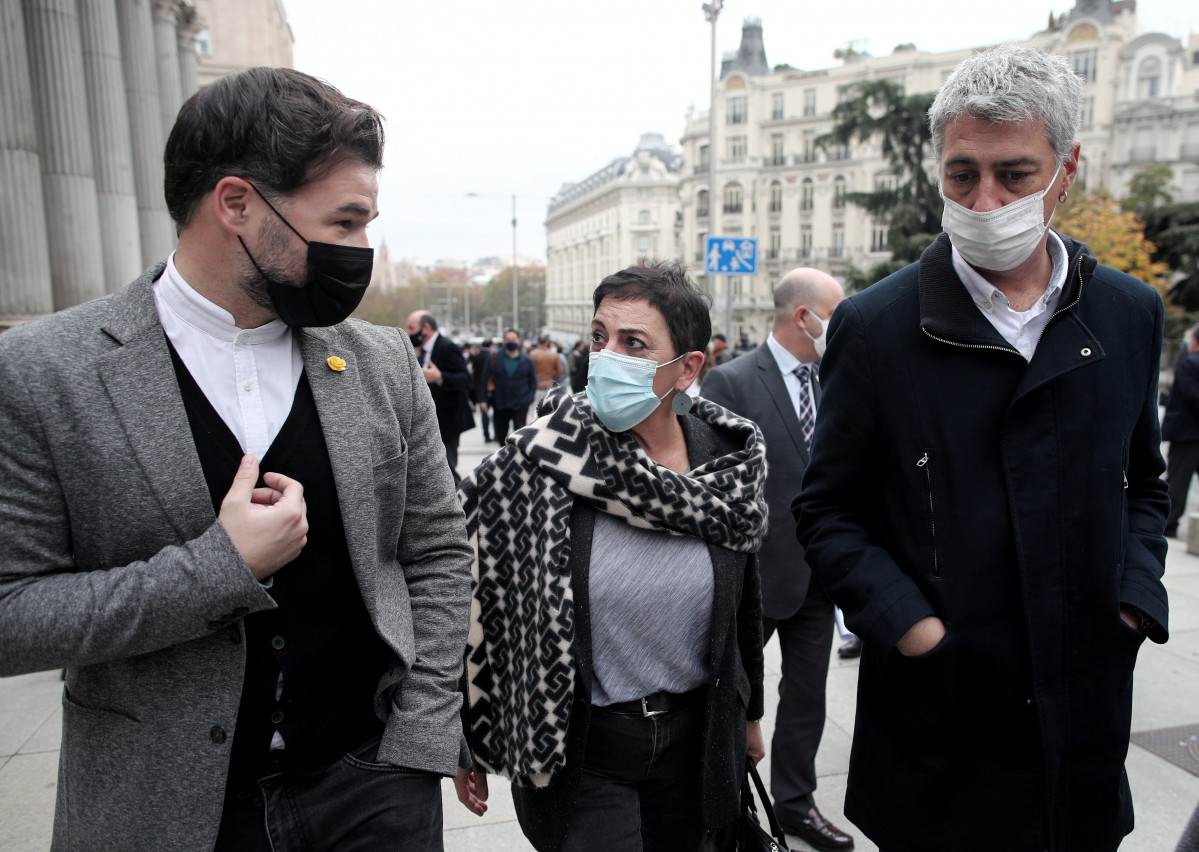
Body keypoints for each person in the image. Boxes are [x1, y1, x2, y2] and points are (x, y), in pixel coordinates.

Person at [0, 67, 473, 851]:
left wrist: (419, 740)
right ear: (237, 204)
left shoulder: (384, 363)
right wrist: (216, 568)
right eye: (345, 222)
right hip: (162, 808)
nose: (360, 249)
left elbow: (434, 552)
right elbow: (12, 615)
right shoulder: (46, 371)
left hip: (370, 794)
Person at [794, 45, 1170, 852]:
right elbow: (826, 510)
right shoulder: (875, 325)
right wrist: (910, 628)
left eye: (1013, 174)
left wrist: (1132, 601)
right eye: (961, 174)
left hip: (1081, 725)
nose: (984, 198)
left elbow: (1145, 481)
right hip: (939, 738)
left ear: (1065, 170)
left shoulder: (1128, 314)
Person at [455, 261, 769, 852]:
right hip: (582, 749)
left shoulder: (726, 466)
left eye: (634, 343)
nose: (606, 356)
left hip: (696, 740)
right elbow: (473, 599)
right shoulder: (540, 459)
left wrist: (747, 712)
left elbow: (743, 604)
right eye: (600, 337)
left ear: (687, 369)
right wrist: (466, 730)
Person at [702, 267, 853, 851]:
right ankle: (718, 807)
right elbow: (712, 483)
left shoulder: (832, 381)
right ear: (803, 316)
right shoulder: (733, 382)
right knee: (726, 698)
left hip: (818, 578)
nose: (838, 327)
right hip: (751, 582)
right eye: (834, 315)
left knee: (807, 699)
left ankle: (794, 804)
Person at [407, 309, 475, 480]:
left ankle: (459, 502)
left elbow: (465, 380)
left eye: (412, 328)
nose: (409, 333)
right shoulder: (421, 351)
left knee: (447, 471)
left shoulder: (448, 347)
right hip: (428, 421)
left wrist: (440, 377)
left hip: (448, 421)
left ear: (426, 328)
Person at [1163, 325, 1199, 537]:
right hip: (1190, 432)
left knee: (1177, 481)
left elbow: (1191, 396)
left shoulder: (1190, 363)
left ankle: (1168, 523)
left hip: (1187, 433)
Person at [481, 328, 538, 443]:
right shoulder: (494, 357)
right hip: (500, 402)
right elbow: (484, 378)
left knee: (520, 434)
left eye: (513, 339)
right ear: (504, 341)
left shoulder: (527, 360)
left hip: (520, 402)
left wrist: (529, 398)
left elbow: (533, 381)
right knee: (501, 433)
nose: (510, 341)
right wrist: (482, 399)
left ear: (519, 341)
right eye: (508, 339)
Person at [472, 338, 495, 441]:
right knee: (496, 412)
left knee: (484, 412)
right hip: (492, 388)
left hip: (479, 387)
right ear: (491, 345)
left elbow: (473, 372)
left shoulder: (476, 356)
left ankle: (486, 435)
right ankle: (496, 434)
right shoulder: (494, 357)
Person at [531, 333, 565, 402]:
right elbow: (560, 370)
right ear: (547, 343)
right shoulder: (553, 355)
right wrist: (552, 376)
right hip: (548, 386)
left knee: (534, 410)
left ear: (537, 342)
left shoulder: (532, 354)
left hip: (536, 387)